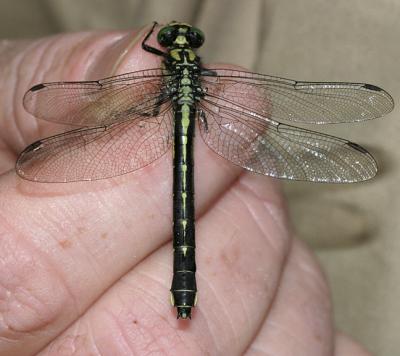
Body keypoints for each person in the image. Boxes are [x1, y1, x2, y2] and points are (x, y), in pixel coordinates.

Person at [0, 26, 372, 355]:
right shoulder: (198, 71)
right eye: (174, 38)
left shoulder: (159, 61)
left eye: (182, 38)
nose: (179, 40)